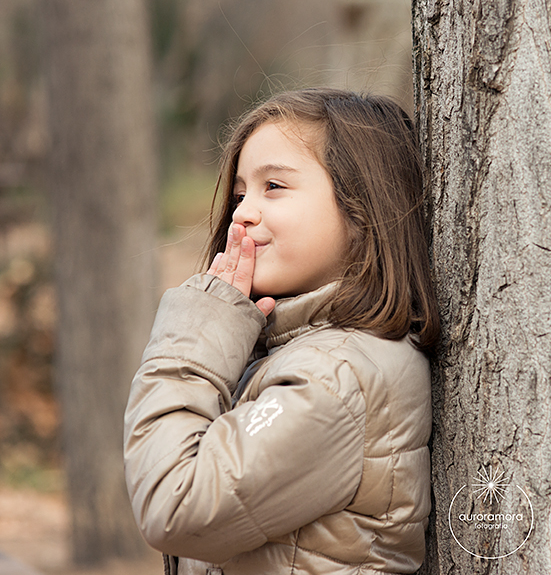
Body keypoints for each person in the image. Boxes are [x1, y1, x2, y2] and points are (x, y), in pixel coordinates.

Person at [123, 88, 440, 575]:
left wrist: (191, 343)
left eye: (274, 187)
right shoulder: (294, 355)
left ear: (363, 209)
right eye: (239, 194)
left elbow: (174, 504)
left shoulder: (336, 381)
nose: (242, 212)